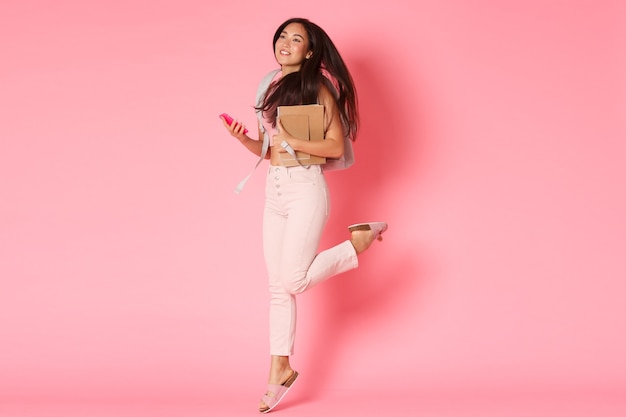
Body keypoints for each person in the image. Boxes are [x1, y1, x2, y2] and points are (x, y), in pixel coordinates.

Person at [221, 17, 388, 413]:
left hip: (305, 189)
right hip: (275, 189)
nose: (286, 42)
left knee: (292, 279)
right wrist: (243, 138)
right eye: (283, 35)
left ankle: (357, 243)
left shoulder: (318, 86)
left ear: (310, 52)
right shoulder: (269, 84)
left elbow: (333, 145)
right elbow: (267, 149)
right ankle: (279, 369)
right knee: (277, 287)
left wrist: (292, 139)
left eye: (296, 39)